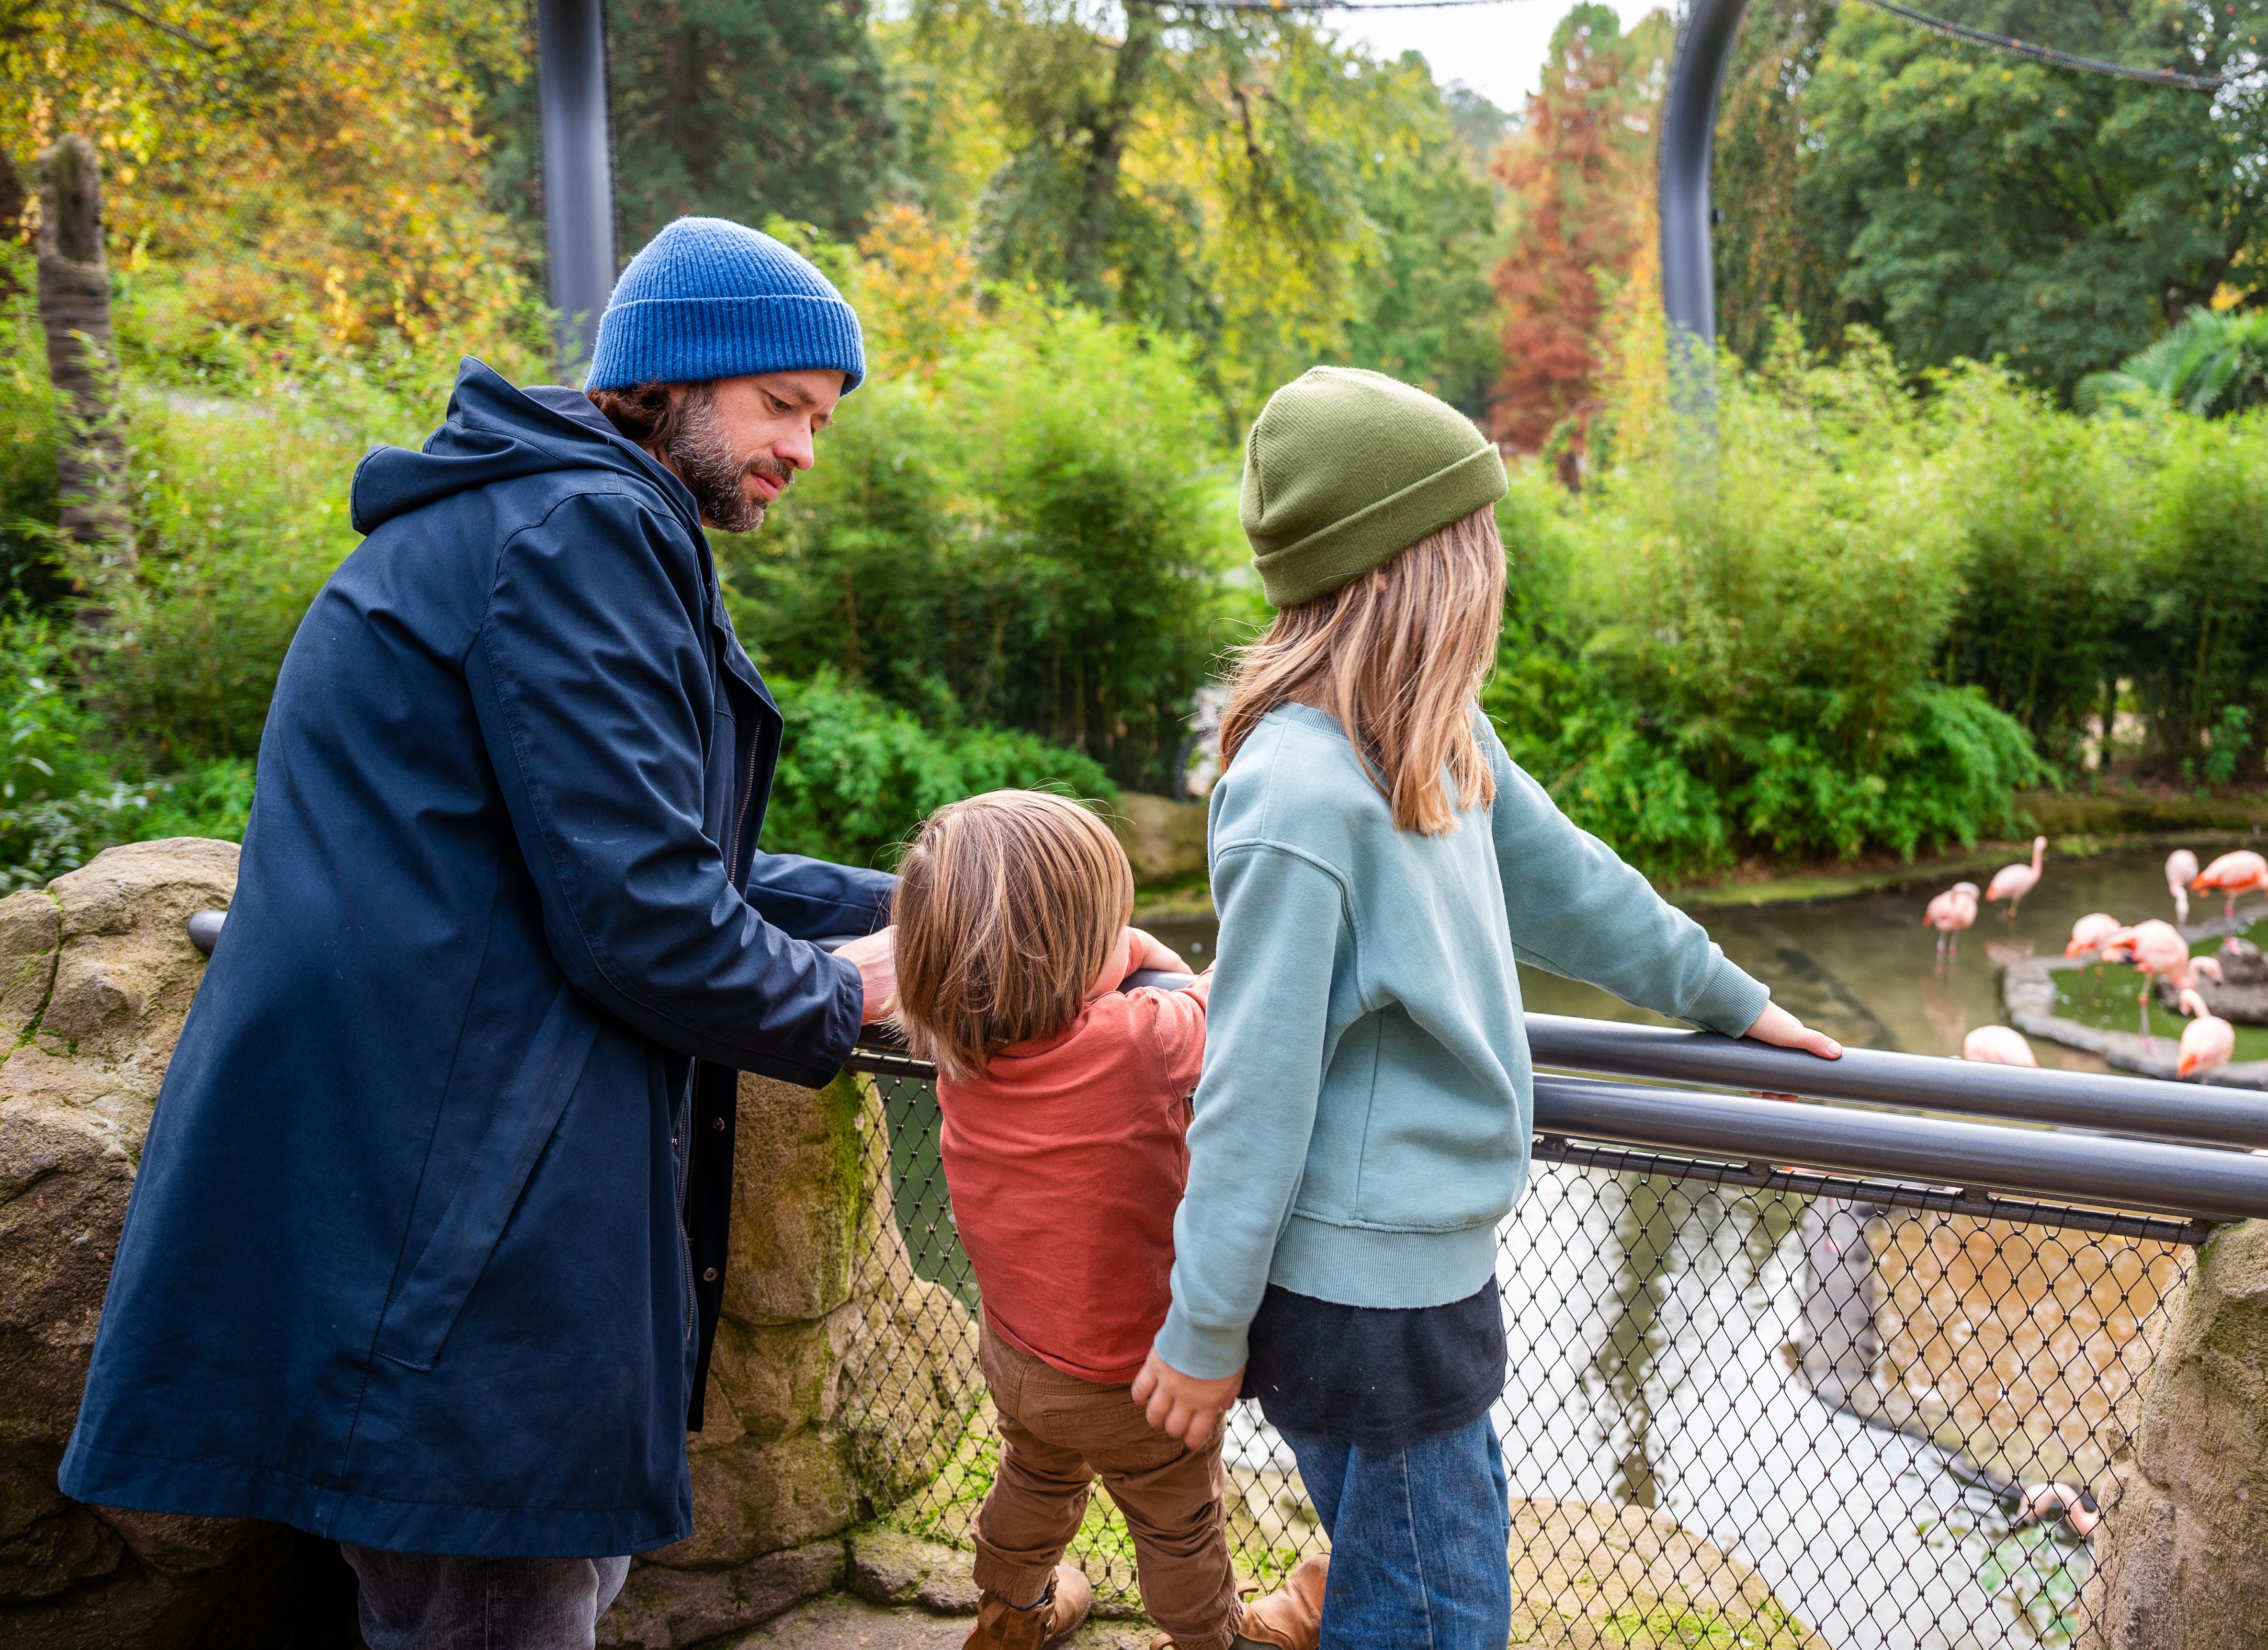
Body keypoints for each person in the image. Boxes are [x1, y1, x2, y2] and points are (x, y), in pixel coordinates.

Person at [59, 217, 903, 1650]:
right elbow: (643, 913)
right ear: (677, 375)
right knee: (499, 1610)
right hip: (458, 1219)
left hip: (422, 1183)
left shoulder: (539, 513)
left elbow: (661, 850)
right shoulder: (581, 529)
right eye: (783, 407)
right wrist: (844, 996)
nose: (804, 453)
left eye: (818, 421)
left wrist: (930, 910)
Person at [1129, 368, 1845, 1650]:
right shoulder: (1302, 794)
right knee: (1437, 1619)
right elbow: (1254, 1080)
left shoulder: (1438, 735)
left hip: (1426, 1276)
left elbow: (1574, 891)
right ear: (1400, 563)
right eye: (1476, 533)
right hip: (1361, 1300)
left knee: (1422, 1593)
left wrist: (1736, 1002)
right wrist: (1202, 1329)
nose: (1496, 561)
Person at [896, 789, 1331, 1650]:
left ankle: (1008, 1613)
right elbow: (1226, 997)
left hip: (1017, 1351)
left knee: (1034, 1473)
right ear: (1078, 953)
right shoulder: (1138, 1039)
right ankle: (1214, 1636)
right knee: (1177, 1524)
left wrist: (1107, 947)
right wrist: (1138, 951)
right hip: (1135, 1375)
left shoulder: (956, 1047)